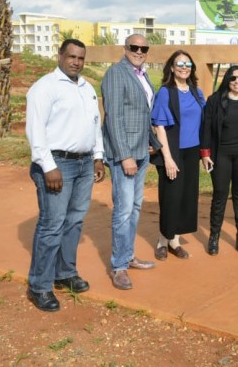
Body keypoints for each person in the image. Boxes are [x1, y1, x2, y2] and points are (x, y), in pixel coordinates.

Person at [25, 39, 105, 312]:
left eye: (81, 58)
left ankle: (65, 273)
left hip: (84, 164)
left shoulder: (86, 87)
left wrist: (98, 156)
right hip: (58, 164)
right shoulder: (45, 87)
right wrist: (48, 166)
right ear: (59, 56)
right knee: (52, 224)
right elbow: (35, 131)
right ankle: (40, 286)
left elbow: (95, 124)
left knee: (74, 222)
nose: (76, 62)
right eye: (71, 56)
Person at [102, 34, 158, 290]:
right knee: (123, 210)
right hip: (125, 155)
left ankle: (128, 255)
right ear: (125, 49)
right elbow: (113, 118)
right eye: (134, 47)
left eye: (143, 48)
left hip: (141, 152)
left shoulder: (141, 74)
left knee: (135, 207)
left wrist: (150, 142)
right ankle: (119, 266)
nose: (139, 51)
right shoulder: (117, 73)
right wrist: (124, 155)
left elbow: (143, 113)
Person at [200, 65, 238, 255]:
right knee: (220, 195)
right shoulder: (215, 100)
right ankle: (214, 236)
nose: (237, 81)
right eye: (233, 78)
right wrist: (205, 154)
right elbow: (206, 128)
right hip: (221, 155)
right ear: (227, 79)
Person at [150, 50, 205, 261]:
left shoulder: (196, 92)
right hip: (172, 151)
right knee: (171, 197)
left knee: (186, 197)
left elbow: (205, 120)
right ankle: (163, 241)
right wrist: (168, 158)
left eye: (188, 63)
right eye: (179, 63)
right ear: (172, 67)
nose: (184, 67)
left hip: (192, 152)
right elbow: (160, 126)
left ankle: (175, 241)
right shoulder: (165, 92)